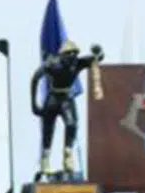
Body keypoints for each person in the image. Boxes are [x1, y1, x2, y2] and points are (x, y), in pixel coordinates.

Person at [30, 39, 104, 181]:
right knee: (48, 129)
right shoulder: (52, 63)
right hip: (53, 98)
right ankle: (45, 160)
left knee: (72, 124)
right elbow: (35, 78)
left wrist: (98, 51)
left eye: (75, 54)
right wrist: (34, 104)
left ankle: (68, 155)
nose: (72, 57)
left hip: (66, 98)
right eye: (69, 54)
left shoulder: (77, 63)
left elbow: (97, 59)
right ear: (62, 55)